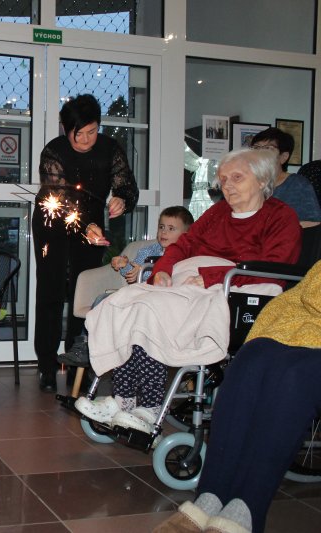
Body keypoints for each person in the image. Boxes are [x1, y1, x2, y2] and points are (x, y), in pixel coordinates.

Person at [76, 148, 301, 434]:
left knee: (150, 312)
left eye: (237, 178)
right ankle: (124, 401)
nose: (227, 186)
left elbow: (273, 265)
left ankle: (150, 407)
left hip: (232, 287)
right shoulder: (218, 212)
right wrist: (162, 270)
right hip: (189, 279)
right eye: (223, 179)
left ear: (261, 180)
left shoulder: (281, 217)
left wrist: (211, 277)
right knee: (122, 303)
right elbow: (184, 245)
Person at [154, 260, 321, 533]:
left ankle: (246, 511)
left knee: (295, 376)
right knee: (250, 362)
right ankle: (209, 499)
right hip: (306, 321)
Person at [33, 93, 139, 392]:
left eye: (91, 131)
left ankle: (77, 362)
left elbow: (127, 186)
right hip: (53, 222)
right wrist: (85, 225)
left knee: (85, 290)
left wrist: (121, 199)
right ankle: (47, 366)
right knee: (51, 290)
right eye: (77, 133)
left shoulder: (110, 148)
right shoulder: (54, 150)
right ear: (65, 129)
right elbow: (59, 199)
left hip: (92, 228)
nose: (85, 139)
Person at [59, 206, 193, 366]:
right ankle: (86, 344)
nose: (164, 232)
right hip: (136, 295)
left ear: (186, 234)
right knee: (102, 300)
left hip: (158, 303)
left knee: (114, 303)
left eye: (171, 229)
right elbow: (132, 275)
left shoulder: (186, 256)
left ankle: (95, 347)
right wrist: (125, 265)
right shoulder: (148, 251)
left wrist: (144, 271)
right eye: (161, 227)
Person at [250, 126, 321, 227]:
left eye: (268, 148)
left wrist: (277, 229)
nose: (260, 153)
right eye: (256, 148)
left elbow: (314, 224)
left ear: (283, 157)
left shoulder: (298, 184)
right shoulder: (245, 182)